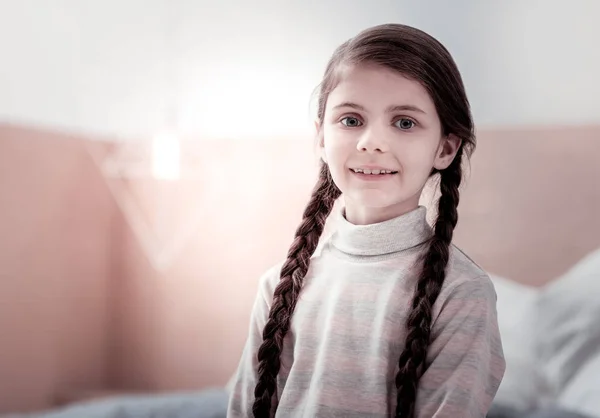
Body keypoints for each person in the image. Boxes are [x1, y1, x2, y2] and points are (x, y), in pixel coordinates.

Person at [227, 23, 506, 418]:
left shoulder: (462, 293)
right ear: (321, 138)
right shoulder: (278, 286)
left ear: (445, 148)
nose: (371, 142)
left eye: (404, 122)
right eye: (351, 120)